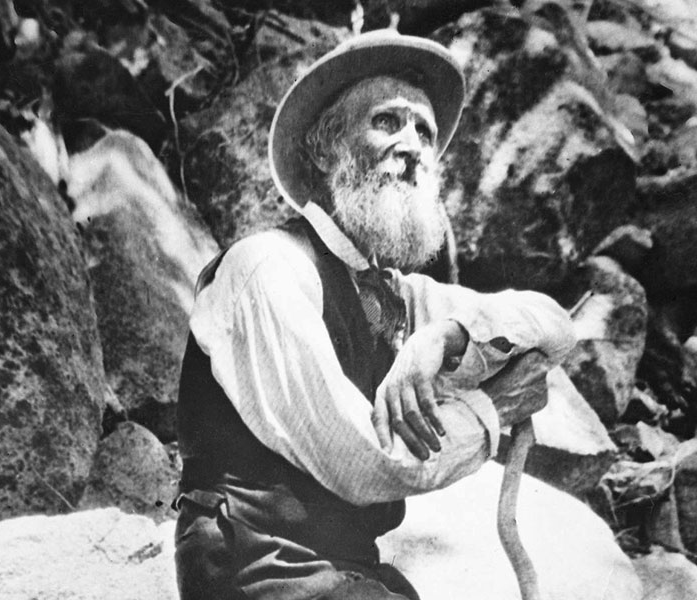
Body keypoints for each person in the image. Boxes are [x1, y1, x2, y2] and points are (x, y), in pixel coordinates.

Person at [173, 30, 576, 600]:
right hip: (257, 570)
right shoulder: (266, 267)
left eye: (425, 133)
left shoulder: (398, 296)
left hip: (348, 573)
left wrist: (451, 336)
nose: (413, 145)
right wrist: (493, 411)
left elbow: (556, 326)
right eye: (388, 122)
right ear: (323, 148)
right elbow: (362, 461)